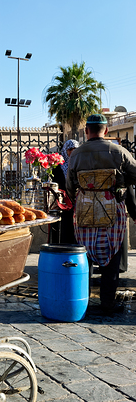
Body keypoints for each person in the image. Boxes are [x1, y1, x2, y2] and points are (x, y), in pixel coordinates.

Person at [66, 114, 136, 315]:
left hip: (84, 211)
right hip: (112, 210)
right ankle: (107, 303)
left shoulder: (76, 154)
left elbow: (70, 187)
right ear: (106, 131)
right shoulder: (119, 151)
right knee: (113, 258)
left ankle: (83, 301)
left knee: (85, 256)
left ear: (86, 131)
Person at [50, 139, 79, 244]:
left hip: (77, 200)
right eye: (70, 149)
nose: (72, 152)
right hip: (63, 201)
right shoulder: (58, 166)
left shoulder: (79, 164)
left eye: (75, 149)